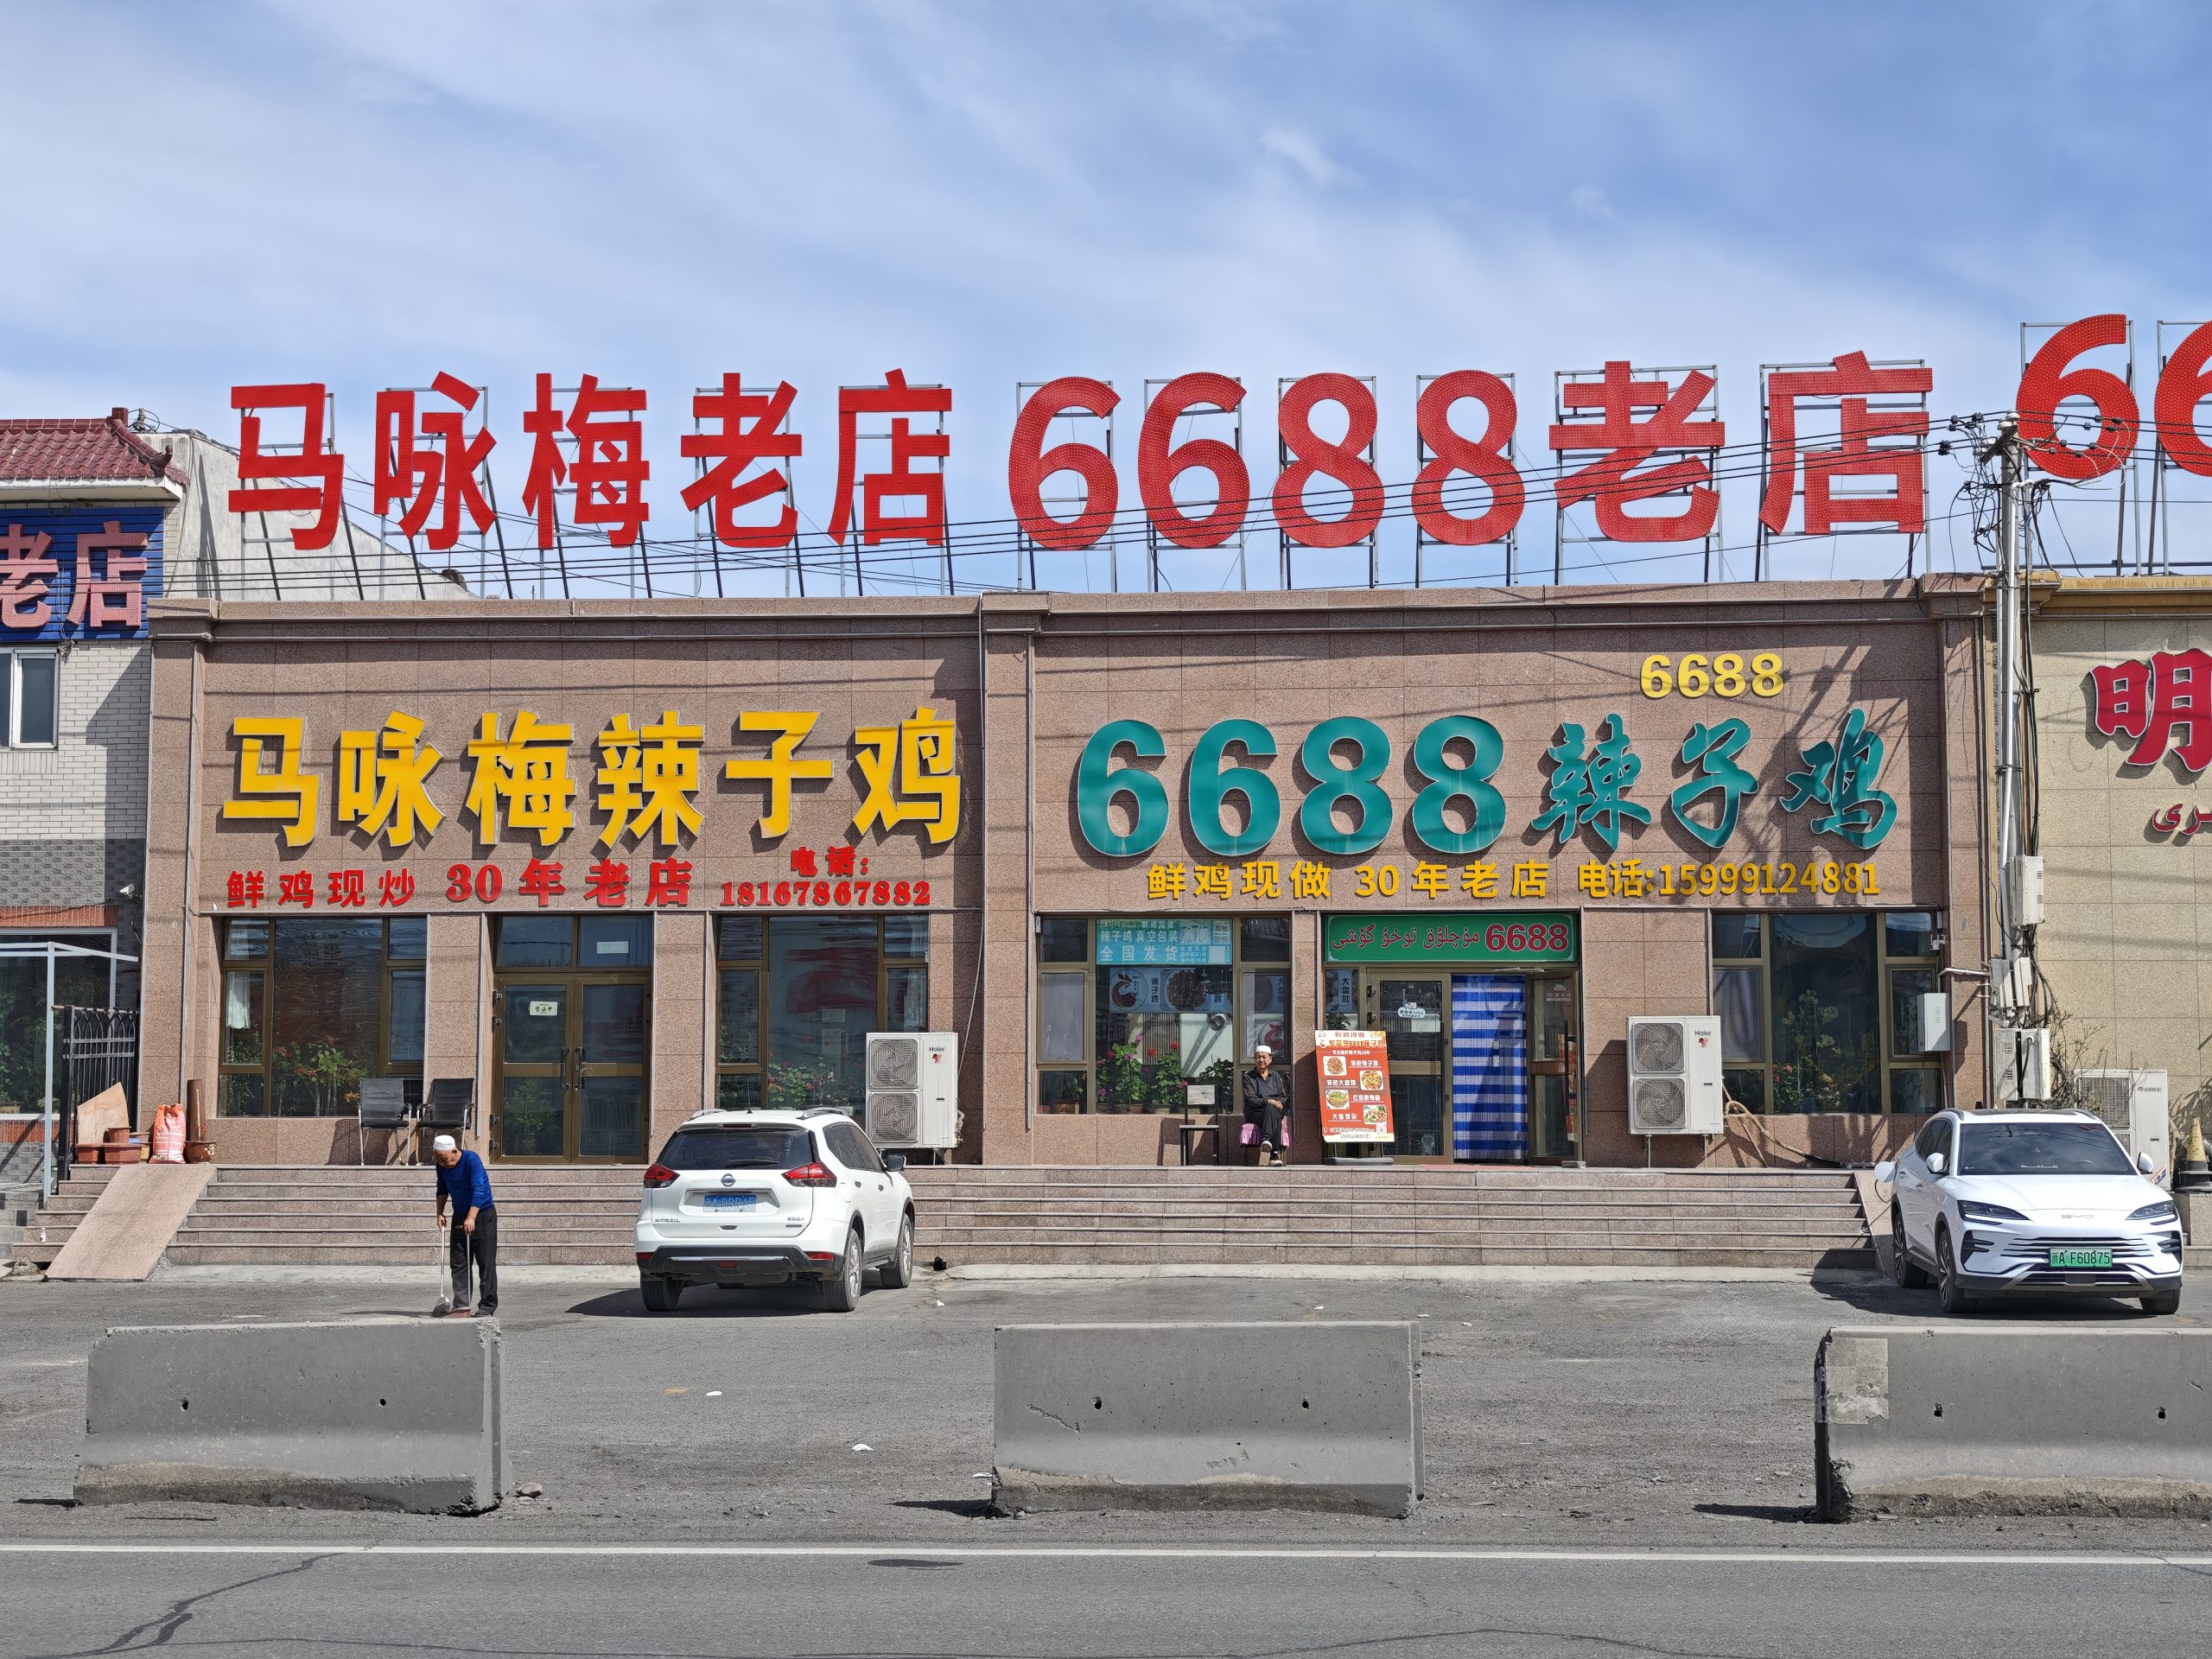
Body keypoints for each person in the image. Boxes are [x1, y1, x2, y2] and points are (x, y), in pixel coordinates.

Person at [431, 1133, 498, 1318]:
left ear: (454, 1151)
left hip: (483, 1215)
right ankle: (462, 1304)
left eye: (444, 1159)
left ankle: (487, 1306)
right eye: (438, 1159)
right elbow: (442, 1189)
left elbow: (479, 1188)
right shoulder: (441, 1165)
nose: (442, 1163)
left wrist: (471, 1217)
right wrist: (439, 1213)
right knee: (458, 1262)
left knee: (485, 1261)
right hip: (460, 1215)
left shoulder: (471, 1160)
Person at [1242, 1043, 1291, 1167]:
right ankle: (1274, 1155)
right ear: (1255, 1059)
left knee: (1272, 1111)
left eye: (1264, 1057)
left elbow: (1283, 1097)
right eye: (1258, 1057)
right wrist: (1270, 1101)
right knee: (1274, 1115)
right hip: (1256, 1113)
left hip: (1274, 1110)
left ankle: (1266, 1139)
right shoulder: (1248, 1077)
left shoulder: (1276, 1076)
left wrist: (1272, 1103)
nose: (1261, 1060)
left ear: (1270, 1059)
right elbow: (1252, 1100)